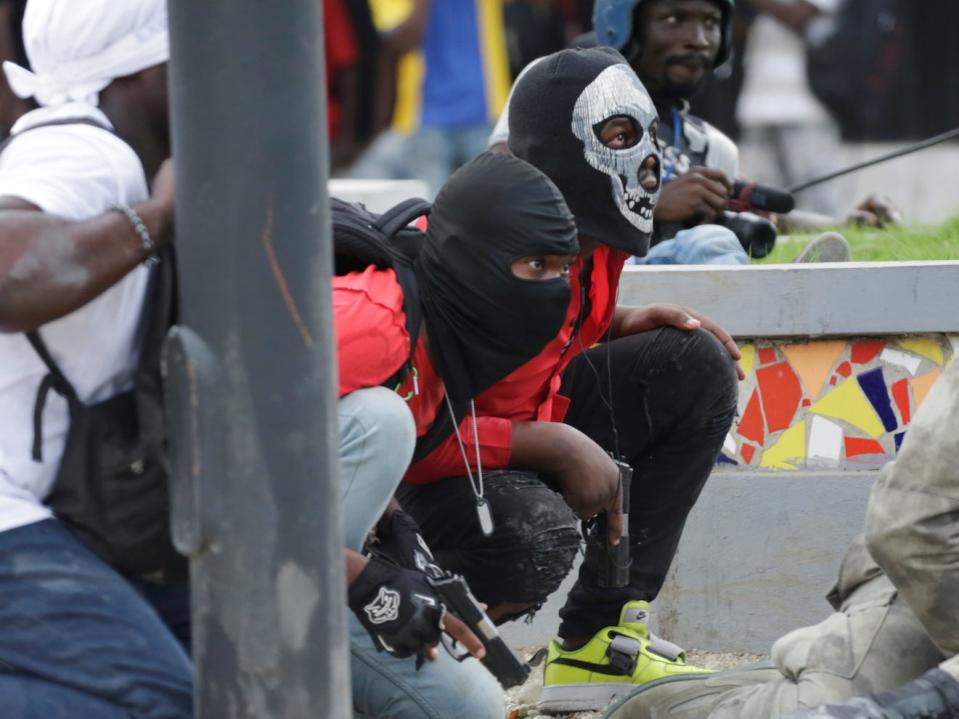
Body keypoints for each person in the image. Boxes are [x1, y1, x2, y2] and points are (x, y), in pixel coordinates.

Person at [397, 46, 743, 713]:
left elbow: (555, 322)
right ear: (560, 145)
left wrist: (620, 320)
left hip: (526, 424)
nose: (642, 158)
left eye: (641, 134)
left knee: (690, 362)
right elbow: (397, 433)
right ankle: (408, 662)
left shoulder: (600, 225)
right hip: (429, 474)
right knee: (533, 530)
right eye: (616, 136)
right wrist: (549, 445)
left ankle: (598, 640)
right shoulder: (473, 231)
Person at [338, 150, 581, 718]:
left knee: (473, 706)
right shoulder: (372, 325)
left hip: (315, 564)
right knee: (382, 423)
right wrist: (367, 580)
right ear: (473, 260)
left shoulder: (448, 338)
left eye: (562, 268)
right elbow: (217, 466)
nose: (554, 288)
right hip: (214, 566)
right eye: (534, 265)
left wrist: (393, 532)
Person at [0, 1, 192, 716]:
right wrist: (157, 221)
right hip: (15, 512)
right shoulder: (84, 149)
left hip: (73, 506)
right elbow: (7, 271)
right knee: (151, 698)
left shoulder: (114, 146)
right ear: (145, 66)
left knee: (222, 664)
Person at [604, 360, 959, 719]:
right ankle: (798, 674)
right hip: (928, 581)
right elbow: (913, 526)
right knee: (835, 708)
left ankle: (815, 656)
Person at [490, 0, 852, 265]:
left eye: (710, 22)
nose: (698, 39)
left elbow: (746, 212)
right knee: (711, 242)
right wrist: (651, 206)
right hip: (579, 280)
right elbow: (503, 186)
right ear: (624, 23)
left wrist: (845, 223)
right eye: (673, 18)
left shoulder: (713, 146)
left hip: (677, 309)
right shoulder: (557, 85)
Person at [350, 0, 512, 198]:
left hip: (485, 112)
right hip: (426, 118)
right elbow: (402, 41)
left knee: (497, 207)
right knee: (433, 213)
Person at [736, 0, 845, 218]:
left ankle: (833, 247)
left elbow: (799, 17)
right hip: (758, 102)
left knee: (818, 195)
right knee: (764, 197)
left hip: (806, 107)